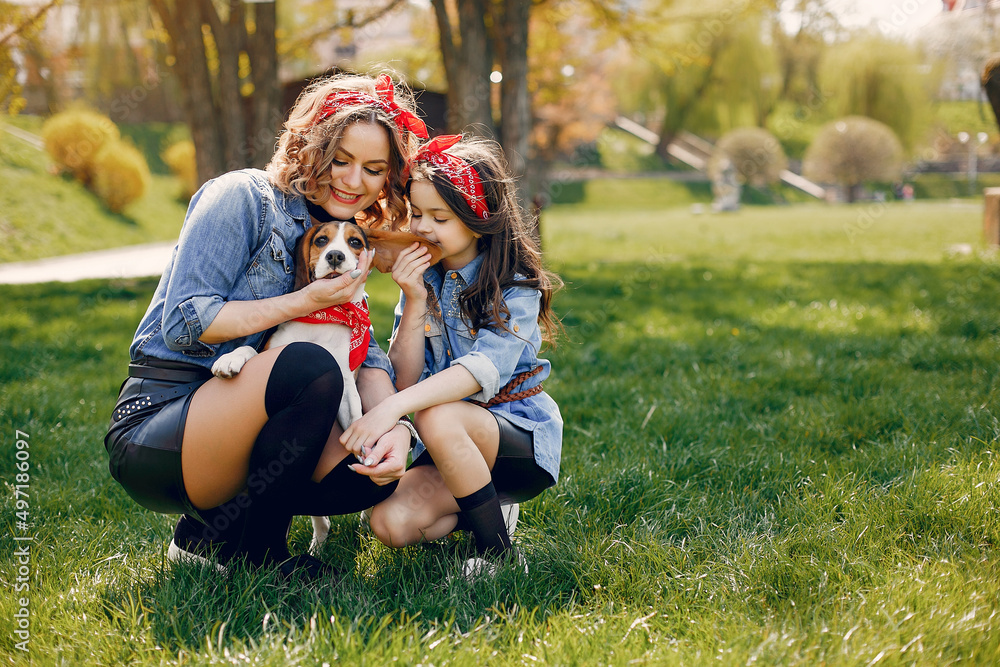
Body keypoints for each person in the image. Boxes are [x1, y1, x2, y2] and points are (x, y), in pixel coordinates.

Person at [104, 73, 428, 579]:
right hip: (163, 428)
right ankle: (262, 555)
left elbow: (364, 360)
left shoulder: (341, 246)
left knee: (369, 467)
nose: (352, 180)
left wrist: (398, 431)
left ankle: (209, 537)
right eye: (339, 159)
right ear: (309, 147)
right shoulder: (243, 197)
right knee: (309, 365)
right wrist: (302, 300)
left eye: (372, 169)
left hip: (240, 426)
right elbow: (185, 321)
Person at [340, 134, 563, 577]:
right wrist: (416, 300)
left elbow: (478, 372)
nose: (422, 228)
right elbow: (406, 378)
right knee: (388, 524)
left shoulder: (514, 284)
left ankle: (498, 552)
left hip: (515, 442)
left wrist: (393, 410)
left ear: (477, 219)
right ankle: (487, 508)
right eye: (417, 214)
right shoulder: (427, 279)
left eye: (439, 217)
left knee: (436, 412)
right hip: (448, 445)